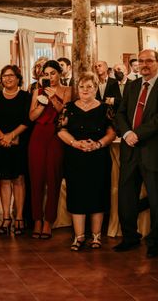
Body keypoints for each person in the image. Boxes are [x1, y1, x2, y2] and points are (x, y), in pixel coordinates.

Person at [113, 49, 158, 258]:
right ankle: (130, 237)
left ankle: (155, 241)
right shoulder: (131, 86)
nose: (144, 65)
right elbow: (120, 113)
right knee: (126, 197)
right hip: (130, 150)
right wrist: (126, 133)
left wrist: (136, 134)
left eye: (149, 61)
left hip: (155, 151)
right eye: (141, 61)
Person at [57, 73, 115, 250]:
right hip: (75, 156)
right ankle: (79, 236)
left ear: (96, 88)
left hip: (98, 157)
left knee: (98, 193)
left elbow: (112, 132)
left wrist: (97, 144)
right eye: (82, 86)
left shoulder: (106, 108)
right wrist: (76, 143)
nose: (85, 90)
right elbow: (60, 130)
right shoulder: (69, 108)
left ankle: (96, 236)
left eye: (89, 86)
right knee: (77, 194)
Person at [0, 65, 31, 236]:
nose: (8, 79)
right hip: (0, 143)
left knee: (18, 180)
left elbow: (27, 120)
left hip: (19, 142)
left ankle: (18, 216)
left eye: (11, 76)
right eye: (4, 76)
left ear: (18, 78)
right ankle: (5, 217)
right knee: (4, 180)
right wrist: (2, 137)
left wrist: (11, 136)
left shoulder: (26, 96)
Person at [28, 60, 70, 239]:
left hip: (56, 134)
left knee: (53, 178)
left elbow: (65, 114)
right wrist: (42, 103)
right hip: (38, 135)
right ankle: (37, 219)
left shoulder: (68, 90)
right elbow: (31, 117)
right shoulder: (37, 92)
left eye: (53, 73)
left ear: (60, 74)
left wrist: (53, 97)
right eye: (46, 74)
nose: (49, 77)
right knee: (36, 178)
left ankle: (48, 221)